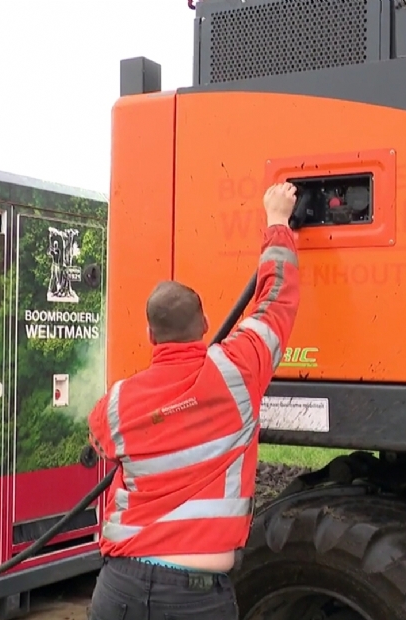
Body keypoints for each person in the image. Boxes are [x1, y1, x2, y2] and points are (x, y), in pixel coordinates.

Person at [86, 182, 301, 619]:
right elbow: (276, 301)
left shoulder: (114, 405)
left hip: (118, 588)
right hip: (194, 598)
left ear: (150, 334)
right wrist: (278, 222)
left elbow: (103, 448)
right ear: (205, 323)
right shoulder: (238, 370)